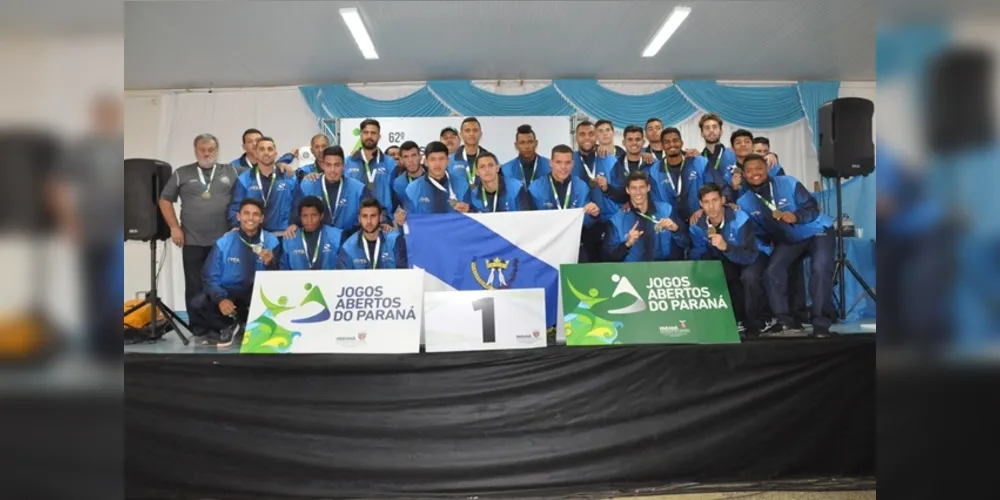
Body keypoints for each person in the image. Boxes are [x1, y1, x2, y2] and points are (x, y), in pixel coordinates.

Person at [735, 154, 836, 337]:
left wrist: (796, 216)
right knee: (772, 271)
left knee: (820, 269)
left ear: (766, 168)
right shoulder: (744, 202)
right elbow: (758, 234)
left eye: (758, 168)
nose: (754, 173)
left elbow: (812, 207)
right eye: (749, 171)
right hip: (790, 240)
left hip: (817, 231)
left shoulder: (788, 182)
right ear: (743, 174)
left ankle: (821, 324)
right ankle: (786, 322)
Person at [159, 133, 244, 317]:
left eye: (211, 149)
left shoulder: (232, 171)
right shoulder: (182, 173)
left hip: (224, 242)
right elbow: (165, 200)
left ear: (217, 150)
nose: (207, 154)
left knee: (221, 284)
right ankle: (199, 329)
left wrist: (284, 165)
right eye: (202, 150)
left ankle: (223, 325)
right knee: (195, 286)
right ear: (195, 150)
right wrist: (174, 227)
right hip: (192, 239)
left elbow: (260, 172)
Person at [190, 198, 280, 347]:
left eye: (255, 214)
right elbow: (209, 275)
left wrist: (271, 264)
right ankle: (228, 326)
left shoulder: (272, 242)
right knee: (198, 303)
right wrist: (221, 299)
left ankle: (243, 323)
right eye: (246, 214)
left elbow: (281, 279)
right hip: (229, 293)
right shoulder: (224, 242)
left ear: (262, 219)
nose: (250, 218)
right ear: (239, 216)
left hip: (258, 294)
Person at [689, 183, 769, 337]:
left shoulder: (740, 219)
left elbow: (750, 254)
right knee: (713, 274)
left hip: (752, 255)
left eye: (715, 200)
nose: (711, 206)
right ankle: (729, 320)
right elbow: (698, 251)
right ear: (700, 204)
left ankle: (757, 321)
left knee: (748, 277)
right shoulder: (697, 226)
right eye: (706, 202)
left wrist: (726, 247)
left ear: (723, 200)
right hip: (726, 258)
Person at [528, 144, 602, 257]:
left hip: (574, 245)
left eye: (567, 162)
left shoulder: (581, 186)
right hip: (546, 247)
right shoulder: (536, 188)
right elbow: (531, 222)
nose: (563, 167)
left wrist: (594, 215)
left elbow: (586, 222)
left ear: (572, 164)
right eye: (558, 162)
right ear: (551, 163)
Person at [604, 171, 689, 262]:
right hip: (632, 272)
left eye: (642, 187)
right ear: (627, 190)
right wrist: (627, 245)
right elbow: (608, 258)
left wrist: (676, 230)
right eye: (633, 188)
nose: (638, 192)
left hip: (663, 271)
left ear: (648, 188)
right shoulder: (617, 221)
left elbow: (687, 244)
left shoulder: (666, 210)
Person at [286, 145, 369, 236]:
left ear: (344, 166)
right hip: (317, 243)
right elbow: (296, 212)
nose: (332, 170)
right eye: (328, 165)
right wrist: (293, 224)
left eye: (337, 165)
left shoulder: (358, 189)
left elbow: (368, 215)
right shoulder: (307, 186)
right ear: (322, 165)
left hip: (349, 241)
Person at [228, 137, 298, 237]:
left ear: (275, 153)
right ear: (255, 153)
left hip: (283, 235)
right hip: (253, 235)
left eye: (270, 149)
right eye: (261, 149)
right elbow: (235, 207)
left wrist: (294, 223)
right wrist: (236, 226)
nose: (266, 152)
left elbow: (297, 204)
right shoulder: (244, 179)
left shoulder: (289, 177)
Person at [647, 127, 718, 223]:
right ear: (662, 146)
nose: (672, 144)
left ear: (681, 143)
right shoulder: (654, 171)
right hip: (672, 224)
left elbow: (714, 188)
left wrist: (704, 209)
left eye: (675, 140)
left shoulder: (698, 162)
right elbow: (655, 200)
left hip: (699, 220)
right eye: (667, 142)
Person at [573, 120, 618, 262]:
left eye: (591, 134)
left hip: (608, 222)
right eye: (582, 134)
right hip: (580, 224)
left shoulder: (610, 159)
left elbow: (622, 188)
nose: (587, 138)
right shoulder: (569, 160)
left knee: (609, 267)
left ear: (596, 136)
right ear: (576, 137)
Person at [400, 141, 471, 219]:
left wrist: (469, 210)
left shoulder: (462, 185)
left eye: (441, 159)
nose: (437, 163)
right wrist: (401, 219)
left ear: (448, 161)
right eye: (433, 159)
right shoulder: (412, 189)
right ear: (426, 162)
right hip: (426, 231)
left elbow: (475, 218)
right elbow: (409, 222)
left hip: (455, 230)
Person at [344, 119, 395, 218]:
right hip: (354, 220)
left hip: (381, 220)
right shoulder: (348, 162)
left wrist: (387, 216)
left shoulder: (389, 163)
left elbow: (395, 194)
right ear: (361, 135)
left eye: (373, 133)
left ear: (379, 136)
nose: (369, 136)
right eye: (366, 133)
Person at [337, 198, 408, 269]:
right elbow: (343, 278)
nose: (369, 221)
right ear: (359, 219)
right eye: (365, 216)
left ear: (380, 218)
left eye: (373, 216)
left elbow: (403, 275)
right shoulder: (348, 247)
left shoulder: (395, 241)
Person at [280, 196, 343, 270]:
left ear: (321, 216)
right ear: (300, 217)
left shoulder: (337, 236)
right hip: (298, 281)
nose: (309, 220)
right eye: (305, 216)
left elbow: (343, 268)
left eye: (314, 215)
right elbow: (284, 270)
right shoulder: (290, 238)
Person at [605, 125, 654, 206]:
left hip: (649, 213)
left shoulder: (652, 164)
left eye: (637, 139)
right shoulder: (615, 166)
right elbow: (615, 194)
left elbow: (657, 194)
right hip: (625, 214)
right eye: (630, 140)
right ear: (624, 142)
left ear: (643, 142)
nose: (634, 143)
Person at [448, 117, 489, 187]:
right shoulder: (450, 161)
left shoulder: (490, 159)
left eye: (475, 130)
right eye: (467, 130)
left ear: (480, 134)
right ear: (461, 134)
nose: (471, 133)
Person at [230, 128, 294, 171]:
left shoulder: (270, 163)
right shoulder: (233, 167)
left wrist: (292, 154)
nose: (254, 144)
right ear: (244, 146)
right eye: (250, 141)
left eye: (257, 140)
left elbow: (280, 163)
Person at [391, 141, 425, 212]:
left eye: (414, 155)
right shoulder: (398, 183)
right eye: (406, 157)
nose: (410, 160)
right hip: (411, 222)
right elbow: (394, 210)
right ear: (401, 160)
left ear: (420, 157)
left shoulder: (434, 177)